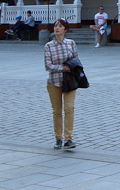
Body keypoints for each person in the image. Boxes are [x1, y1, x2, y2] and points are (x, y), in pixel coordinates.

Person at [45, 18, 79, 149]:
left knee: (69, 108)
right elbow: (48, 65)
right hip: (54, 82)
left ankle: (68, 139)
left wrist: (73, 69)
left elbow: (76, 60)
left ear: (65, 29)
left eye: (60, 26)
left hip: (69, 81)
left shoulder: (71, 43)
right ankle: (58, 138)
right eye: (55, 26)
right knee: (57, 111)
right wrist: (62, 68)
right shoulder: (48, 46)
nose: (57, 28)